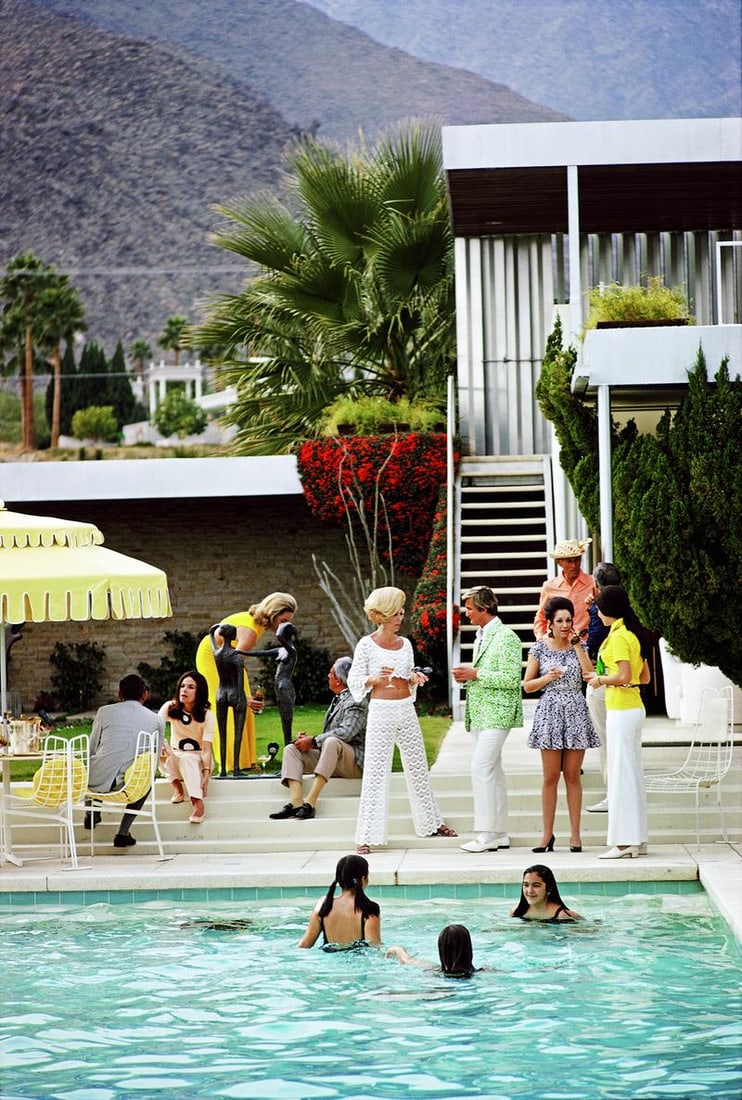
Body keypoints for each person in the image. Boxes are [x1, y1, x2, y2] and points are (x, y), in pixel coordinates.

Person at [348, 586, 456, 854]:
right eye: (396, 613)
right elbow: (354, 680)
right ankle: (366, 835)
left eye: (401, 613)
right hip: (381, 711)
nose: (401, 617)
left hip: (406, 709)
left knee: (418, 768)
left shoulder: (405, 644)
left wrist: (414, 678)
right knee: (375, 772)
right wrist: (373, 679)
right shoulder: (366, 645)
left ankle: (433, 822)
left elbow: (407, 676)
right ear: (384, 614)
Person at [523, 596, 599, 853]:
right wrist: (548, 677)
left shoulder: (579, 645)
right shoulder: (539, 648)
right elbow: (527, 685)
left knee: (573, 775)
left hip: (576, 710)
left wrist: (578, 647)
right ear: (550, 623)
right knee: (550, 777)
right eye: (560, 621)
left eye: (569, 620)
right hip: (550, 712)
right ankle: (547, 835)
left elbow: (589, 675)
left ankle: (575, 835)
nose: (566, 625)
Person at [452, 586, 523, 853]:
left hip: (498, 713)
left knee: (480, 768)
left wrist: (476, 674)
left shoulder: (507, 637)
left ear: (484, 609)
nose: (466, 613)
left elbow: (511, 679)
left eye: (470, 609)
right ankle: (500, 833)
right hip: (482, 713)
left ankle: (486, 834)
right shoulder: (480, 635)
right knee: (493, 771)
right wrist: (467, 676)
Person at [195, 592, 297, 773]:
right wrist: (241, 696)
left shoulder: (256, 624)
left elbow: (237, 657)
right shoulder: (251, 632)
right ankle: (230, 763)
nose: (284, 626)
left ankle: (246, 760)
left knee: (245, 706)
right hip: (213, 659)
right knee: (227, 705)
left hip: (229, 658)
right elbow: (230, 664)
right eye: (282, 621)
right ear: (273, 613)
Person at [587, 585, 651, 859]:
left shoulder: (619, 637)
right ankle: (637, 839)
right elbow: (643, 677)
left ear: (606, 610)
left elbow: (624, 675)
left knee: (621, 774)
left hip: (622, 710)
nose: (597, 613)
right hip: (631, 707)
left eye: (598, 609)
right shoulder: (631, 634)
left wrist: (600, 679)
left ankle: (625, 842)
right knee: (630, 773)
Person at [269, 656, 367, 821]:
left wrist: (314, 741)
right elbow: (332, 734)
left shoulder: (357, 701)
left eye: (331, 673)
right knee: (292, 749)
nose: (328, 676)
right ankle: (296, 802)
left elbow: (346, 733)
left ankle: (310, 802)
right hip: (334, 758)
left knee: (331, 742)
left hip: (354, 763)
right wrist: (307, 741)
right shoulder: (339, 699)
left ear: (338, 680)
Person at [86, 673, 165, 848]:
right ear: (145, 695)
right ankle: (123, 832)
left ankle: (92, 812)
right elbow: (154, 760)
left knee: (94, 761)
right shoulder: (157, 720)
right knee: (148, 776)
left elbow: (91, 748)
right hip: (132, 785)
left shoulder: (104, 712)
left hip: (95, 781)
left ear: (120, 694)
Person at [585, 562, 623, 813]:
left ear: (596, 585)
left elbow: (595, 641)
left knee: (606, 742)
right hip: (626, 688)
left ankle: (613, 795)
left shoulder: (604, 612)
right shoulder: (627, 608)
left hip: (605, 679)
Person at [158, 669, 215, 824]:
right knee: (157, 743)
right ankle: (177, 787)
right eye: (182, 686)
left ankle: (198, 803)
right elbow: (155, 727)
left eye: (191, 687)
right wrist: (161, 745)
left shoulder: (207, 715)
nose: (184, 690)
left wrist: (206, 774)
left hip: (198, 760)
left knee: (188, 758)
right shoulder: (169, 707)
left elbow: (206, 749)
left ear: (200, 692)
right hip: (176, 758)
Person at [208, 623, 263, 778]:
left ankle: (223, 770)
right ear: (233, 636)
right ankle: (237, 768)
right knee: (238, 733)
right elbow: (240, 679)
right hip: (234, 693)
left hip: (220, 694)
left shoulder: (217, 653)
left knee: (222, 732)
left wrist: (213, 631)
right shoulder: (236, 656)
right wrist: (241, 698)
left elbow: (212, 640)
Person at [298, 853, 381, 950]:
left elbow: (304, 945)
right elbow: (374, 948)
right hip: (357, 958)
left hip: (329, 958)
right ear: (363, 879)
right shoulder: (369, 909)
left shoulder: (323, 905)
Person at [533, 538, 596, 640]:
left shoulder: (593, 583)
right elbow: (541, 618)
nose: (574, 565)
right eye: (569, 561)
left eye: (577, 560)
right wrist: (541, 640)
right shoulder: (549, 587)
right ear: (559, 562)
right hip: (558, 644)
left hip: (586, 643)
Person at [386, 924, 482, 977]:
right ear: (468, 948)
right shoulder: (485, 972)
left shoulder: (432, 971)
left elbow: (407, 960)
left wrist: (395, 949)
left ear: (442, 950)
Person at [510, 864, 583, 921]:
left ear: (549, 889)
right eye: (526, 885)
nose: (530, 891)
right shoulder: (516, 912)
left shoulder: (562, 916)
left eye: (536, 885)